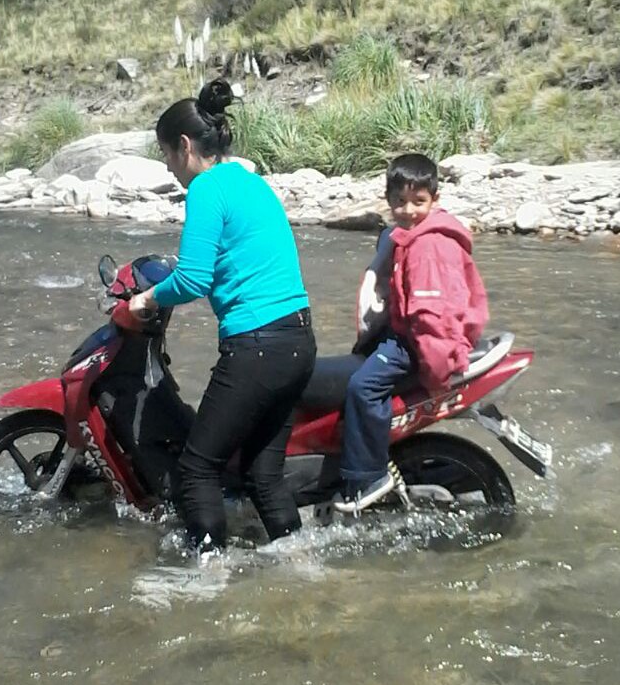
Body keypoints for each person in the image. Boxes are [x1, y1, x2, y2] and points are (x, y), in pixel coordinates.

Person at [129, 79, 316, 551]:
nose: (170, 167)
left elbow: (192, 279)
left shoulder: (207, 188)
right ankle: (299, 564)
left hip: (255, 346)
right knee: (263, 472)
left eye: (167, 154)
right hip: (297, 340)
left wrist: (148, 300)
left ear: (185, 147)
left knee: (197, 469)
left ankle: (207, 577)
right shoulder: (252, 182)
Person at [335, 153, 488, 513]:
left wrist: (436, 372)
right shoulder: (406, 236)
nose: (408, 210)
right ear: (387, 201)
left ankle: (369, 476)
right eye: (399, 202)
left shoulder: (428, 246)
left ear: (435, 200)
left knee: (363, 386)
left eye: (418, 202)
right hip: (409, 333)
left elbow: (433, 316)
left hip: (421, 342)